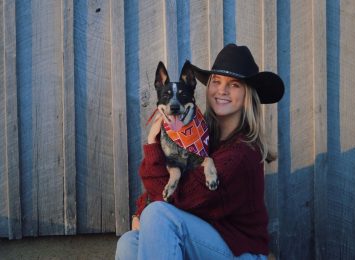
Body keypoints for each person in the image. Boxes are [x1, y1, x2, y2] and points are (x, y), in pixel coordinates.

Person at [115, 43, 284, 259]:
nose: (222, 90)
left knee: (158, 215)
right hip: (209, 240)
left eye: (234, 85)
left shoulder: (242, 153)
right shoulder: (200, 137)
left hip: (241, 252)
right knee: (130, 242)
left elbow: (182, 196)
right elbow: (167, 186)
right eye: (216, 81)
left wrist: (152, 147)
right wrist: (141, 210)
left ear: (247, 95)